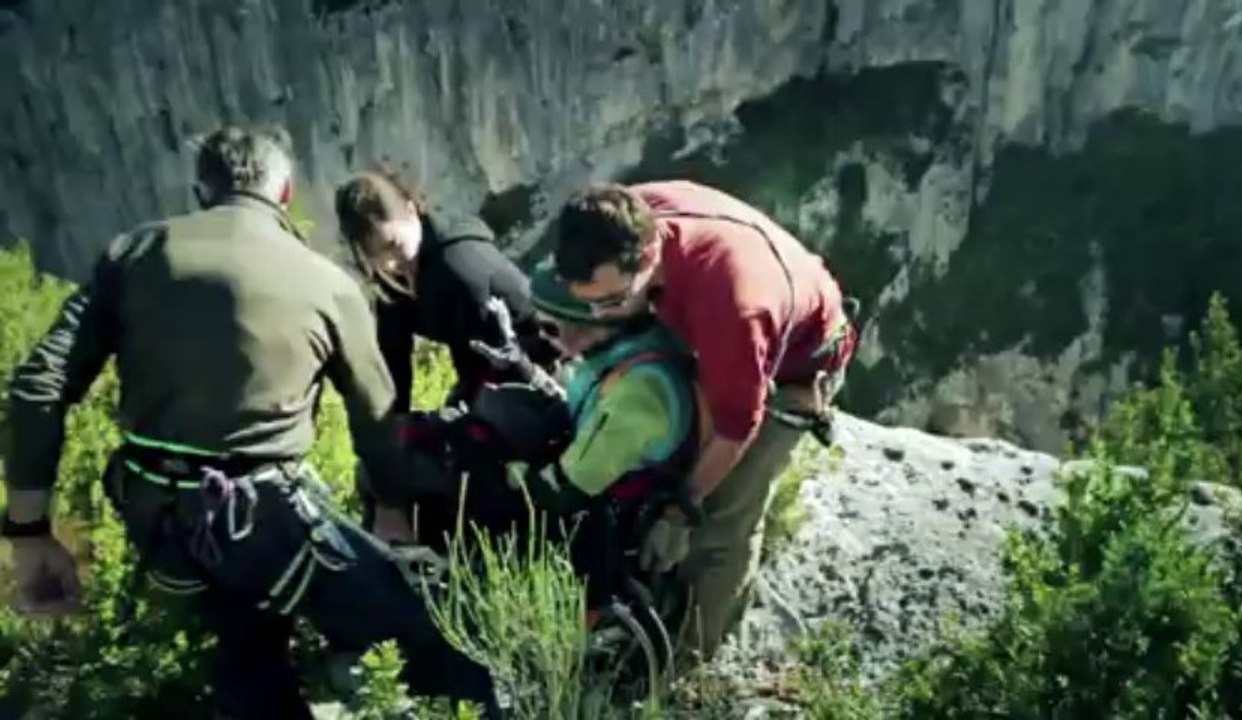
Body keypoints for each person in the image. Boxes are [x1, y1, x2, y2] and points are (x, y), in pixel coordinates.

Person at [0, 125, 497, 719]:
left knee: (246, 653)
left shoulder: (131, 254)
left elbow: (37, 388)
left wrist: (27, 534)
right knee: (428, 631)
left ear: (202, 192)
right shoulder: (327, 284)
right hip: (267, 516)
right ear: (284, 194)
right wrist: (394, 510)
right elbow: (380, 427)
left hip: (154, 514)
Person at [551, 179, 858, 663]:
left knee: (722, 523)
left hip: (794, 367)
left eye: (610, 303)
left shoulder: (732, 305)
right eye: (586, 301)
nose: (597, 315)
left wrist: (682, 510)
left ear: (649, 253)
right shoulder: (620, 220)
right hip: (697, 317)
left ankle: (685, 669)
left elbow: (738, 427)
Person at [333, 168, 558, 413]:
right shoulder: (394, 276)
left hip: (545, 360)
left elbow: (483, 357)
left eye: (392, 245)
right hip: (488, 368)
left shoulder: (459, 267)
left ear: (411, 211)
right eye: (374, 255)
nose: (388, 263)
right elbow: (393, 358)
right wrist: (394, 429)